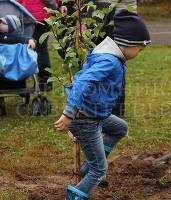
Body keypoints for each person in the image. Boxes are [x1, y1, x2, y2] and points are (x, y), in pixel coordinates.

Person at [54, 10, 151, 200]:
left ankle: (88, 166)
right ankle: (75, 196)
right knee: (100, 169)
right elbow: (81, 82)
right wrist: (69, 113)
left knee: (120, 128)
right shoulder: (110, 61)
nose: (139, 53)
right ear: (127, 45)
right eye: (139, 49)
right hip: (85, 119)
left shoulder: (107, 54)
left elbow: (82, 75)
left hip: (96, 114)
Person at [19, 0, 66, 91]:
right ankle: (45, 81)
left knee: (25, 46)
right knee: (41, 48)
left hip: (26, 14)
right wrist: (55, 7)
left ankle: (21, 79)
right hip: (41, 16)